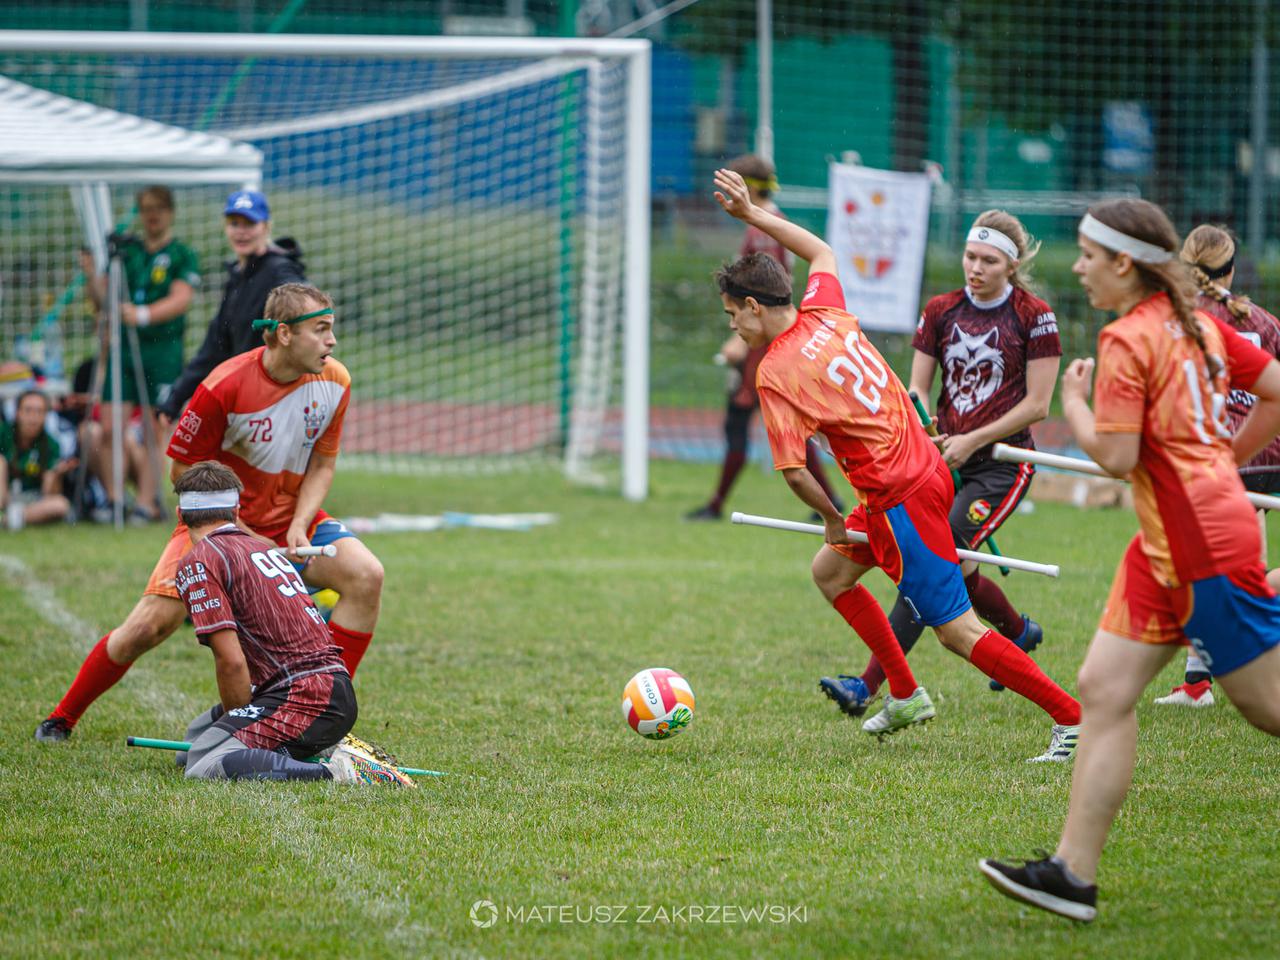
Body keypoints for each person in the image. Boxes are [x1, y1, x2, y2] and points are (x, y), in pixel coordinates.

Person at [712, 168, 1081, 762]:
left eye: (734, 315)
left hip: (900, 499)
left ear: (754, 307)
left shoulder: (776, 373)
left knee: (958, 632)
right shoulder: (823, 308)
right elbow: (823, 250)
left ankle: (1072, 719)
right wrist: (753, 214)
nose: (733, 327)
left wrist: (833, 518)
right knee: (830, 574)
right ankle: (905, 693)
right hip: (920, 473)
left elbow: (795, 473)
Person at [980, 199, 1280, 922]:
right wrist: (1221, 464)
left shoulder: (1127, 338)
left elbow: (1115, 457)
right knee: (1103, 687)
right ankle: (1071, 876)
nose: (1077, 268)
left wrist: (1074, 405)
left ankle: (1070, 874)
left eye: (1087, 255)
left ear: (1123, 263)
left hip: (1203, 544)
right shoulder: (1202, 325)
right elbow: (1274, 391)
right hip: (1165, 542)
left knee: (1269, 710)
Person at [35, 284, 385, 743]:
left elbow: (323, 462)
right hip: (215, 523)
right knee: (147, 628)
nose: (332, 342)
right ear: (283, 334)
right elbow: (183, 471)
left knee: (367, 575)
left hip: (289, 521)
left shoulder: (335, 381)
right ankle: (62, 717)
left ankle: (316, 712)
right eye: (320, 330)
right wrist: (240, 537)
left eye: (331, 330)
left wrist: (299, 524)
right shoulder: (225, 385)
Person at [821, 211, 1060, 713]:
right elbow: (916, 388)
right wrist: (925, 428)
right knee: (953, 565)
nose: (975, 268)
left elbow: (1038, 404)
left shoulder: (1034, 315)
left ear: (1011, 265)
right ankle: (1018, 630)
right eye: (971, 256)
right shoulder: (941, 309)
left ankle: (869, 685)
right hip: (941, 462)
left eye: (989, 261)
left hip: (1002, 464)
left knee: (935, 559)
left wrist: (972, 439)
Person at [170, 460, 410, 786]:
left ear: (180, 515)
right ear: (236, 512)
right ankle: (317, 748)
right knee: (193, 741)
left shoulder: (198, 560)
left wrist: (240, 727)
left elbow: (231, 662)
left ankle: (337, 772)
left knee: (203, 763)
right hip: (321, 687)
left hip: (305, 697)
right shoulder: (262, 547)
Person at [1153, 223, 1280, 707]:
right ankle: (1198, 682)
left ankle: (1208, 680)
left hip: (1216, 458)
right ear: (1231, 268)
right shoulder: (1263, 321)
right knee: (1223, 568)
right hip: (1262, 455)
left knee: (1211, 574)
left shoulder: (1180, 321)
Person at [687, 154, 843, 521]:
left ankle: (716, 505)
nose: (724, 195)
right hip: (771, 342)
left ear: (751, 188)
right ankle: (830, 501)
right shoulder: (771, 224)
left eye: (732, 185)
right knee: (791, 428)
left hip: (767, 348)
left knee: (748, 421)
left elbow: (765, 298)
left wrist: (741, 342)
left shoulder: (763, 229)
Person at [80, 185, 201, 522]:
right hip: (123, 348)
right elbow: (104, 301)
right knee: (107, 427)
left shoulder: (181, 254)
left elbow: (181, 299)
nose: (153, 215)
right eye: (146, 208)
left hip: (162, 351)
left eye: (159, 208)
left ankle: (146, 503)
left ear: (170, 212)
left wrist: (144, 314)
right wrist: (91, 275)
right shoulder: (128, 253)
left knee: (153, 427)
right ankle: (114, 499)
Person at [156, 189, 305, 426]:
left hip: (277, 400)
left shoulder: (280, 270)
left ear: (266, 227)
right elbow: (214, 349)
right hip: (246, 398)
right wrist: (175, 399)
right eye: (234, 223)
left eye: (249, 223)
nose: (241, 231)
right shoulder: (237, 277)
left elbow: (304, 299)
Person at [1, 389, 75, 529]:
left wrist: (57, 474)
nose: (33, 417)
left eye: (39, 411)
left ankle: (10, 519)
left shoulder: (51, 444)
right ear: (17, 413)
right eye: (28, 410)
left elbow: (48, 493)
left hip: (30, 499)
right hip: (5, 495)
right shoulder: (3, 433)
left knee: (61, 505)